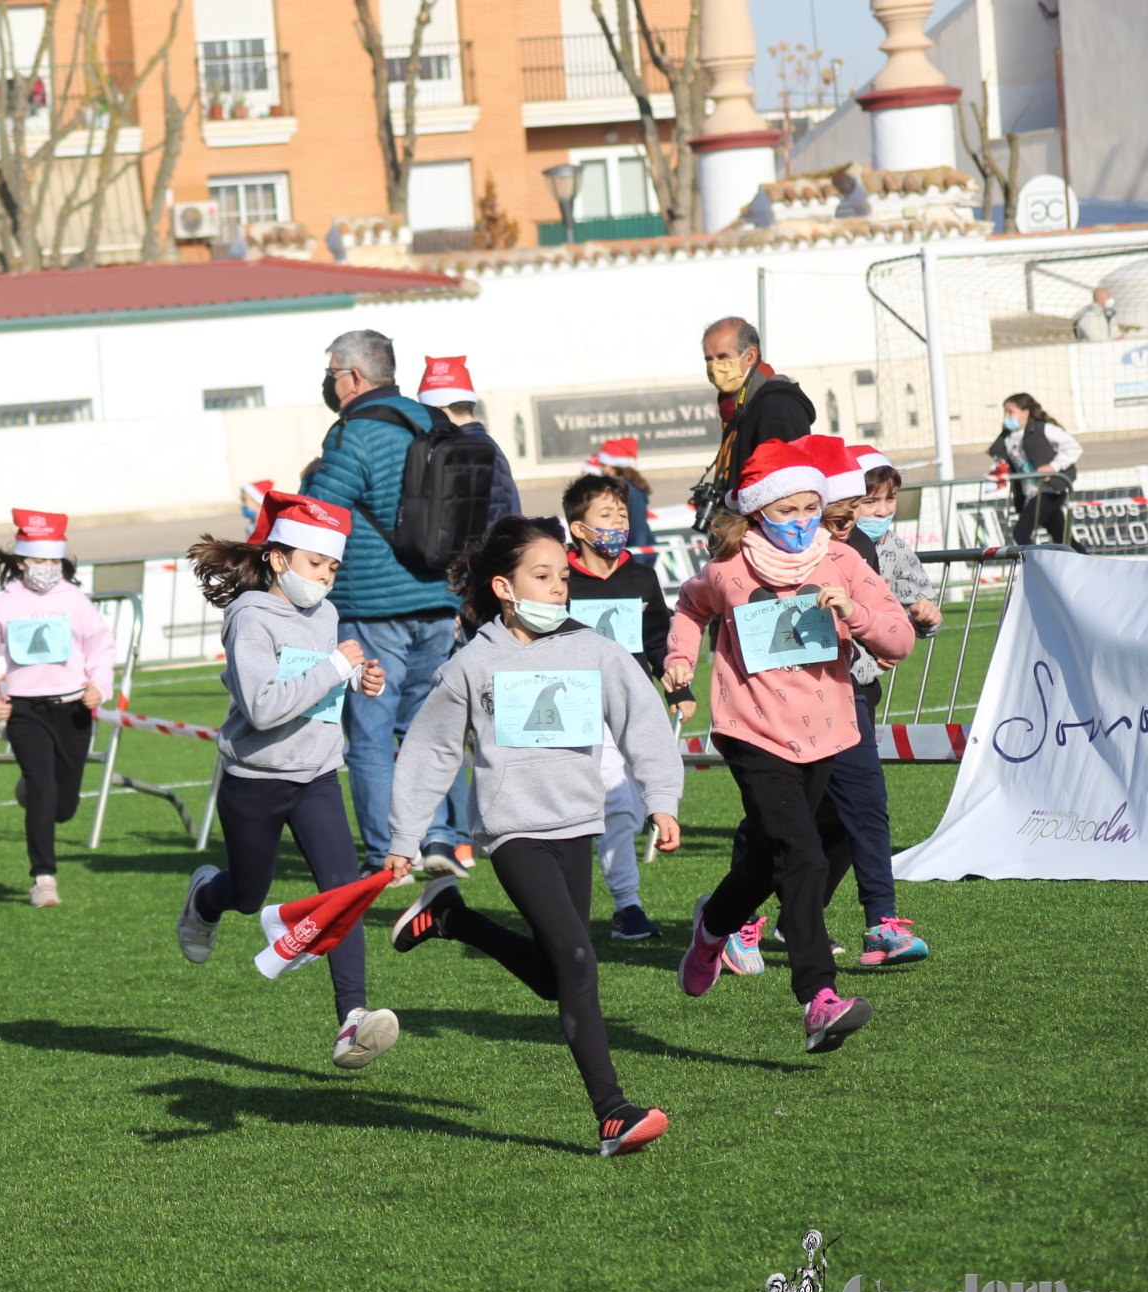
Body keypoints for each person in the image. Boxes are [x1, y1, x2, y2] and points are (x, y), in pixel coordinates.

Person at [386, 515, 684, 1156]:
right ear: (503, 586)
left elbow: (644, 723)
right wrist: (406, 837)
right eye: (541, 577)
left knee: (557, 976)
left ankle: (452, 920)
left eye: (562, 578)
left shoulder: (595, 650)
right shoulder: (472, 664)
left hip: (578, 822)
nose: (558, 589)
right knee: (579, 963)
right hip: (512, 830)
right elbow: (430, 752)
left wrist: (662, 801)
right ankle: (612, 1114)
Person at [663, 437, 914, 1054]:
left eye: (810, 509)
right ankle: (818, 999)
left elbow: (899, 641)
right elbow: (691, 606)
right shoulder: (730, 571)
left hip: (826, 730)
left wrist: (853, 612)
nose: (802, 523)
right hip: (752, 731)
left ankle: (714, 925)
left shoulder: (846, 562)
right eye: (786, 511)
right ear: (756, 514)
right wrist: (678, 660)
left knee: (767, 861)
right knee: (800, 856)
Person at [174, 492, 399, 1070]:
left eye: (331, 568)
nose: (324, 578)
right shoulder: (250, 618)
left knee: (341, 893)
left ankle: (352, 1021)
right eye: (314, 565)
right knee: (249, 894)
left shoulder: (325, 615)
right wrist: (334, 670)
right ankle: (207, 896)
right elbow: (265, 709)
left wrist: (356, 681)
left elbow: (318, 685)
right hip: (255, 779)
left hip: (319, 775)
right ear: (278, 559)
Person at [302, 333, 518, 877]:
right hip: (438, 600)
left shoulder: (356, 432)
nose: (330, 383)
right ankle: (442, 839)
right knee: (432, 730)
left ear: (351, 377)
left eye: (332, 373)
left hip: (372, 605)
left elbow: (322, 514)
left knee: (372, 736)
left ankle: (384, 855)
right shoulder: (432, 421)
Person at [0, 510, 118, 907]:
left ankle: (31, 792)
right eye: (40, 560)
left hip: (74, 711)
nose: (48, 569)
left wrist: (99, 687)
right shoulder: (2, 606)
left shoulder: (77, 601)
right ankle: (43, 877)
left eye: (54, 561)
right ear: (20, 562)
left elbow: (101, 650)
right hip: (25, 711)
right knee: (44, 787)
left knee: (62, 807)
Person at [560, 472, 693, 941]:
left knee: (633, 806)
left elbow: (658, 637)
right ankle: (627, 907)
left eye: (622, 514)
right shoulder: (559, 578)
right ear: (578, 528)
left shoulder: (641, 575)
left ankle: (609, 901)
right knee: (617, 803)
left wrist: (676, 687)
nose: (618, 523)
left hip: (634, 707)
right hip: (579, 711)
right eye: (606, 515)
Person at [824, 447, 937, 967]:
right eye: (865, 501)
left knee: (859, 809)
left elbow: (902, 618)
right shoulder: (801, 553)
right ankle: (731, 917)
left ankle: (879, 924)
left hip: (856, 691)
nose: (875, 512)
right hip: (793, 702)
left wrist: (910, 625)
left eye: (884, 502)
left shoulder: (872, 552)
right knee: (787, 820)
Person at [411, 354, 521, 876]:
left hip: (469, 608)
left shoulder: (465, 453)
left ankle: (463, 833)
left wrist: (465, 602)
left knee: (459, 727)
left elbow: (482, 539)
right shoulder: (488, 449)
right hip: (482, 605)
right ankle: (462, 834)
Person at [703, 317, 816, 499]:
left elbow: (788, 487)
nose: (714, 366)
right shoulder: (736, 406)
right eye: (709, 359)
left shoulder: (778, 407)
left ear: (750, 357)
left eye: (723, 357)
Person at [987, 392, 1084, 548]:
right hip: (1029, 493)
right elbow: (1005, 462)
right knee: (1064, 538)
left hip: (1049, 490)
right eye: (1005, 412)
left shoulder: (1043, 429)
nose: (1006, 416)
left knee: (1021, 533)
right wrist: (997, 472)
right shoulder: (1007, 437)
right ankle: (1089, 565)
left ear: (1025, 412)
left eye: (1010, 412)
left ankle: (1036, 565)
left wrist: (1053, 467)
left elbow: (1074, 448)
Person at [585, 438, 657, 565]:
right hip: (623, 555)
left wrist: (637, 568)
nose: (601, 470)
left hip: (638, 557)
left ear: (613, 468)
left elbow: (638, 531)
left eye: (603, 465)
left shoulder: (631, 492)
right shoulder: (615, 489)